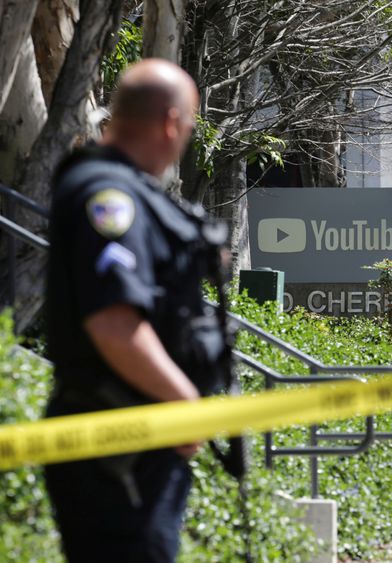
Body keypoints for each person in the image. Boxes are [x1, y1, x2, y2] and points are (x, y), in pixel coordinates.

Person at [44, 59, 227, 562]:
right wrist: (184, 403)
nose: (185, 138)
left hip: (133, 437)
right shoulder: (108, 197)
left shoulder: (126, 189)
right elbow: (114, 323)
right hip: (116, 440)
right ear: (171, 122)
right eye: (189, 127)